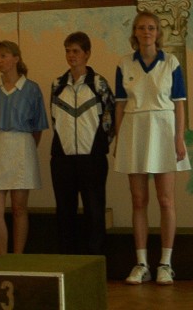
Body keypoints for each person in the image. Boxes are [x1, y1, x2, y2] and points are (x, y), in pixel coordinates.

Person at [114, 11, 189, 285]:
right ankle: (141, 263)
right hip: (134, 132)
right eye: (141, 28)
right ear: (135, 32)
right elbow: (120, 105)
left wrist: (179, 138)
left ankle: (165, 264)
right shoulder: (124, 64)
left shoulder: (171, 62)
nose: (146, 32)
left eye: (151, 28)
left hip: (164, 132)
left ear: (158, 32)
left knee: (166, 200)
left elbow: (179, 104)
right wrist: (119, 139)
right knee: (138, 201)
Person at [49, 32, 114, 255]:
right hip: (63, 159)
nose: (71, 55)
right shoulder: (57, 85)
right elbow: (55, 119)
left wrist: (98, 145)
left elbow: (110, 119)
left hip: (92, 159)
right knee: (64, 212)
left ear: (87, 53)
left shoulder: (99, 83)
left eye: (76, 51)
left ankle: (95, 260)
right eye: (68, 51)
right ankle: (67, 260)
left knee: (94, 212)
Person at [0, 40, 48, 256]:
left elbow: (38, 127)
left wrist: (25, 148)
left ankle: (17, 258)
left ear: (16, 58)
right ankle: (2, 258)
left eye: (4, 56)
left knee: (19, 209)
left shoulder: (32, 89)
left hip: (22, 148)